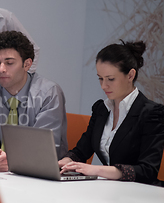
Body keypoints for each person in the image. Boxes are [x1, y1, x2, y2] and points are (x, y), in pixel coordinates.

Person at [59, 41, 164, 185]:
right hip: (110, 188)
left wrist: (97, 170)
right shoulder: (101, 109)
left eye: (110, 79)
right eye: (100, 78)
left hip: (141, 193)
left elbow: (147, 170)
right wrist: (63, 163)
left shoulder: (152, 113)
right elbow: (81, 152)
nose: (103, 86)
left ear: (130, 75)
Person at [0, 31, 67, 171]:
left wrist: (12, 161)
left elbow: (45, 149)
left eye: (9, 63)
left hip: (41, 175)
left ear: (27, 64)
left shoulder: (48, 93)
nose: (1, 69)